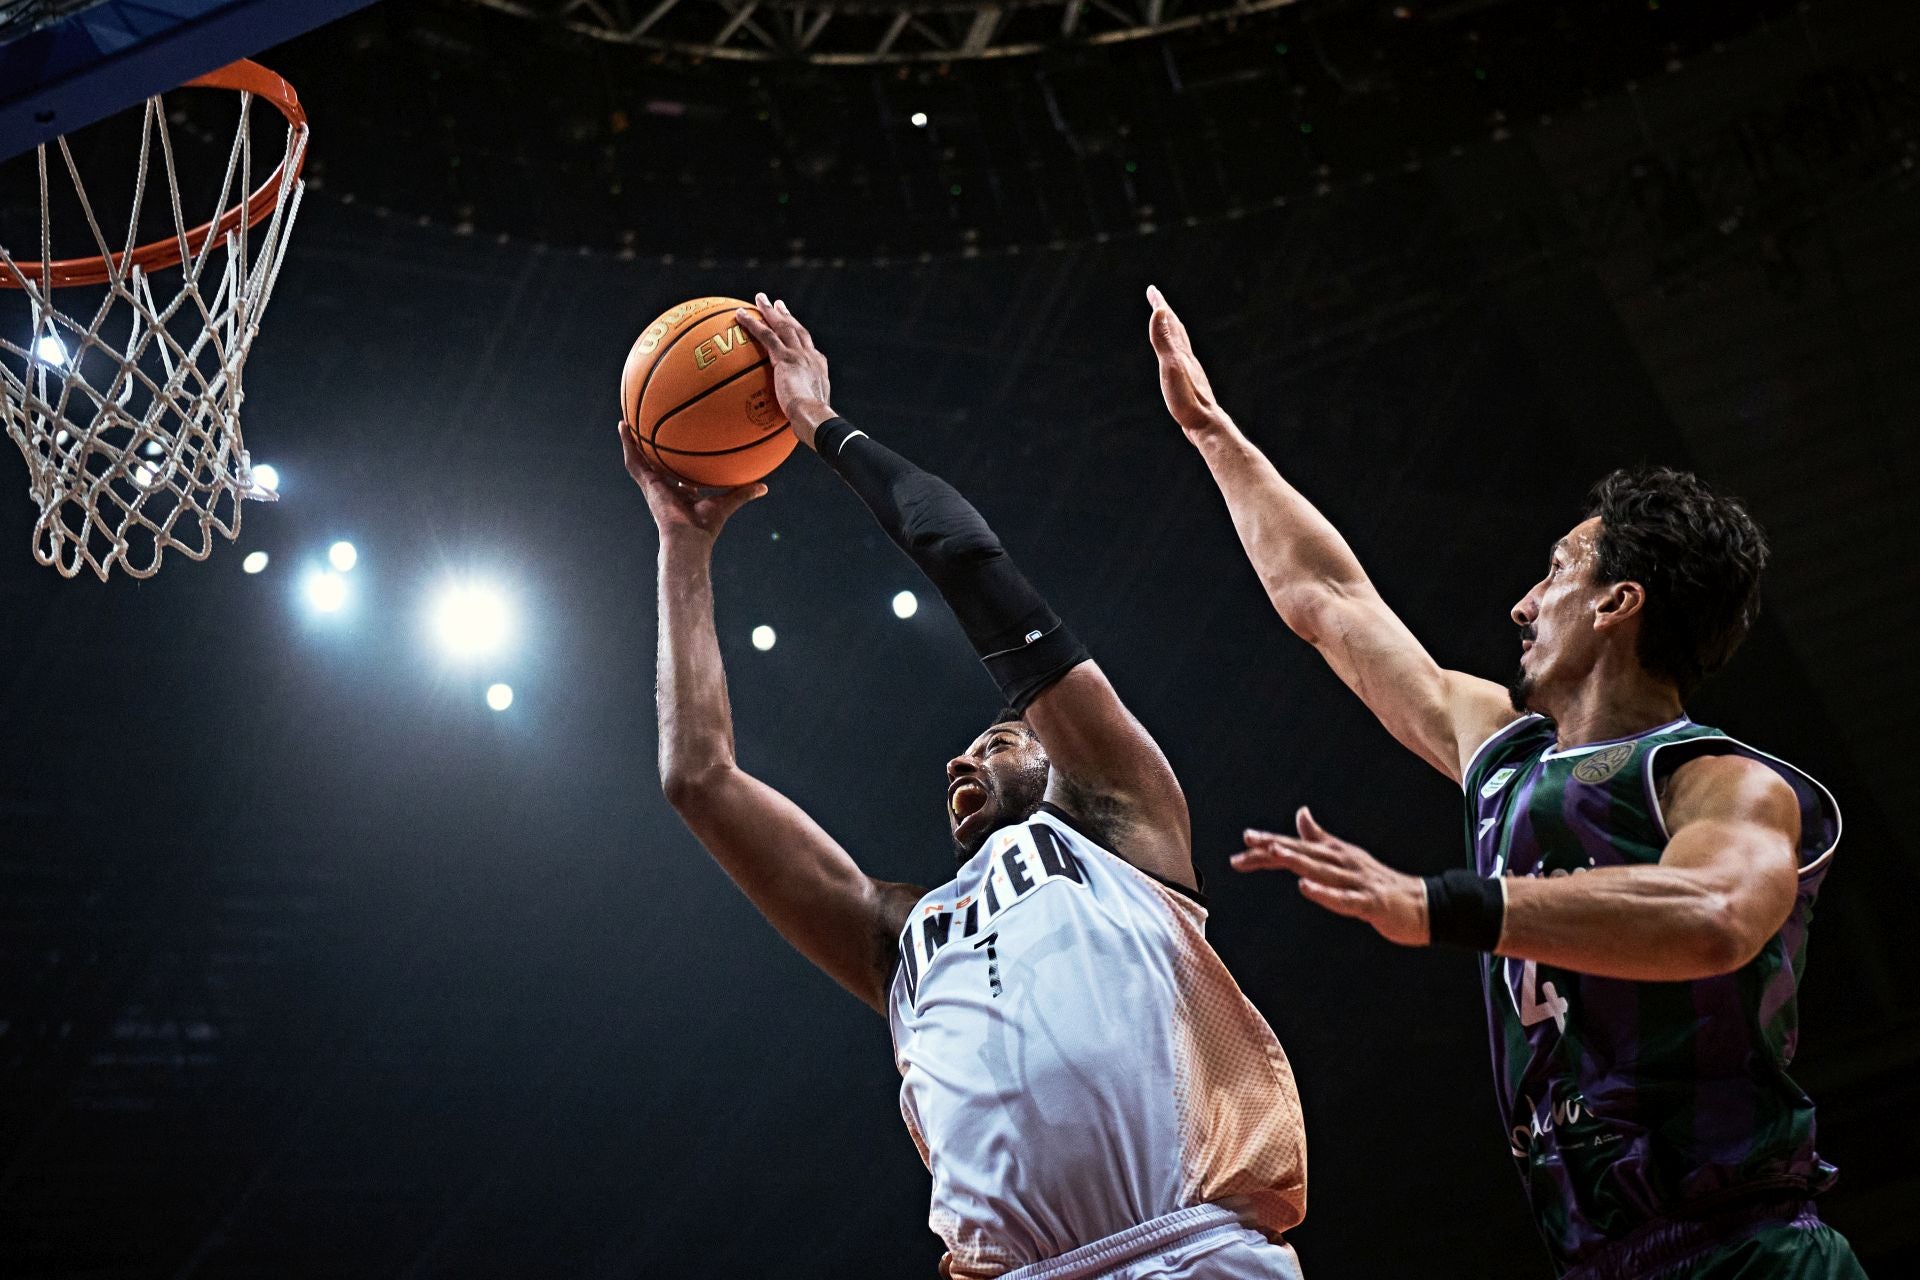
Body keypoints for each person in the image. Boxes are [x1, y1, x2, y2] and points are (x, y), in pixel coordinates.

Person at [1142, 285, 1864, 1280]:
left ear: (1618, 601)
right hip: (1597, 1259)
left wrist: (1436, 902)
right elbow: (1330, 597)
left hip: (1744, 1251)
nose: (1523, 604)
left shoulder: (1721, 781)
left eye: (1555, 572)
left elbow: (1710, 913)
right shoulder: (1505, 754)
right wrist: (1216, 434)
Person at [623, 291, 1306, 1280]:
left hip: (1188, 1253)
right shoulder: (898, 932)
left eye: (995, 737)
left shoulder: (1121, 820)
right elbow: (697, 777)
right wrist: (683, 547)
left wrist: (820, 424)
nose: (959, 760)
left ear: (1053, 752)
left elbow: (965, 555)